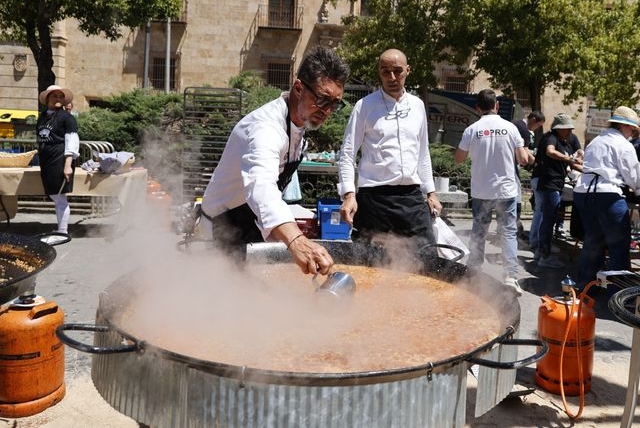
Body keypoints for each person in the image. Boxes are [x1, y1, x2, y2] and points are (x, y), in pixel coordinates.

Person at [201, 47, 349, 275]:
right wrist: (295, 240)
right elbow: (261, 185)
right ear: (299, 88)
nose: (327, 111)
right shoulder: (265, 128)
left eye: (334, 104)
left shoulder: (299, 123)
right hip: (222, 227)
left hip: (250, 222)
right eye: (322, 99)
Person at [338, 48, 441, 251]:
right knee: (371, 263)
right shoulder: (364, 106)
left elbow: (423, 153)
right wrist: (349, 194)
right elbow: (347, 153)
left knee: (427, 259)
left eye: (397, 71)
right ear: (379, 73)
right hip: (375, 200)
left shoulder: (418, 106)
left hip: (411, 198)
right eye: (385, 71)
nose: (391, 77)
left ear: (408, 71)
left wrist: (431, 192)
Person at [454, 89, 533, 293]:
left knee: (479, 232)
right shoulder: (511, 128)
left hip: (481, 190)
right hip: (506, 190)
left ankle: (474, 272)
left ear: (477, 108)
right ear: (497, 105)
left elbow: (459, 159)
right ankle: (510, 277)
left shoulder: (472, 130)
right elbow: (523, 159)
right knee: (508, 232)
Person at [573, 106, 640, 289]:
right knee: (618, 245)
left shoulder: (596, 141)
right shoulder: (624, 145)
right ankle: (616, 293)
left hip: (584, 193)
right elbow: (633, 177)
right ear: (624, 126)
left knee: (592, 241)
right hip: (607, 195)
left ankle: (586, 286)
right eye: (632, 129)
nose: (632, 133)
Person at [530, 114, 583, 268]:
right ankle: (544, 256)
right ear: (559, 129)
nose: (570, 131)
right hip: (549, 184)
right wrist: (571, 159)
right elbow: (550, 152)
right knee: (548, 219)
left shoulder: (564, 142)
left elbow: (573, 165)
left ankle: (541, 251)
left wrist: (590, 170)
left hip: (556, 184)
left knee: (549, 218)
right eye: (567, 129)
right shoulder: (551, 138)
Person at [36, 85, 80, 235]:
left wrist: (68, 165)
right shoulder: (42, 117)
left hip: (60, 159)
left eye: (60, 96)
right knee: (54, 195)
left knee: (59, 196)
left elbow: (72, 141)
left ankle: (63, 231)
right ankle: (60, 228)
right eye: (55, 96)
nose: (58, 99)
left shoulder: (67, 118)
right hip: (46, 160)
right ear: (47, 98)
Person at [510, 110, 544, 238]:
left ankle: (508, 228)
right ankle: (516, 230)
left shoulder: (517, 124)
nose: (537, 128)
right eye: (538, 125)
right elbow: (525, 157)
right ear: (534, 119)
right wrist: (538, 162)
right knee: (516, 198)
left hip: (508, 164)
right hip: (512, 166)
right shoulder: (523, 130)